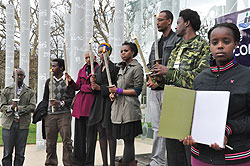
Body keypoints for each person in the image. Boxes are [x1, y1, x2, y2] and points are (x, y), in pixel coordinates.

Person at [183, 23, 250, 166]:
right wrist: (186, 131)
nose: (220, 46)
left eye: (226, 41)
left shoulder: (247, 76)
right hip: (199, 157)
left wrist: (226, 130)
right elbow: (194, 115)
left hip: (236, 157)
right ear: (210, 46)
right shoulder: (200, 79)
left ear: (236, 44)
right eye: (215, 42)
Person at [152, 9, 210, 166]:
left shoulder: (202, 46)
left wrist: (168, 73)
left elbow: (200, 79)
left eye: (178, 23)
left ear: (187, 23)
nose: (176, 27)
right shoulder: (177, 48)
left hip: (190, 108)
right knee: (173, 155)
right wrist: (160, 78)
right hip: (172, 106)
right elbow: (169, 78)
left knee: (189, 156)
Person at [146, 10, 181, 166]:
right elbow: (149, 65)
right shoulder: (156, 43)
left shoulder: (177, 40)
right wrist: (150, 78)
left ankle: (171, 160)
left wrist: (160, 81)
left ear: (169, 21)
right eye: (157, 20)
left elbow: (175, 67)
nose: (158, 23)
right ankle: (157, 161)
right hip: (155, 91)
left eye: (160, 20)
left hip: (170, 88)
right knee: (157, 127)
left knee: (171, 126)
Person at [109, 41, 144, 166]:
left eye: (126, 51)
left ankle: (126, 163)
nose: (123, 53)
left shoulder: (137, 68)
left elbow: (137, 90)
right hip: (119, 110)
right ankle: (127, 162)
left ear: (133, 53)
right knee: (125, 139)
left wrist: (119, 90)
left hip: (130, 109)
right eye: (121, 51)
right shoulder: (120, 68)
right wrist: (113, 93)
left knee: (129, 139)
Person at [87, 43, 118, 166]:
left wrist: (101, 88)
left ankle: (111, 163)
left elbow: (115, 84)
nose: (101, 54)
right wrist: (93, 85)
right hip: (98, 103)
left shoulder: (114, 68)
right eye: (99, 52)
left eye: (104, 51)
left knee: (109, 133)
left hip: (108, 102)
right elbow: (94, 88)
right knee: (101, 132)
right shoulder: (97, 69)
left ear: (108, 52)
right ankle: (104, 162)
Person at [65, 52, 98, 166]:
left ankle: (89, 162)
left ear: (94, 58)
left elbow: (95, 87)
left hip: (91, 105)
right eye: (86, 58)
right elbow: (77, 87)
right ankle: (78, 160)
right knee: (79, 135)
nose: (87, 60)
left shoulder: (98, 70)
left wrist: (84, 87)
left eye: (89, 57)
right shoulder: (81, 70)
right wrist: (71, 82)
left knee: (91, 137)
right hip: (80, 106)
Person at [0, 68, 36, 166]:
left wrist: (19, 108)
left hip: (23, 125)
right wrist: (11, 107)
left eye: (21, 75)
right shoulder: (6, 91)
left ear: (24, 76)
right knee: (7, 152)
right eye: (17, 75)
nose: (19, 77)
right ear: (13, 77)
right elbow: (2, 106)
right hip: (8, 125)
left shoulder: (30, 92)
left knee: (20, 152)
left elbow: (32, 107)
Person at [43, 58, 75, 166]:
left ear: (61, 68)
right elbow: (45, 98)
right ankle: (50, 163)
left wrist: (60, 103)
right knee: (50, 142)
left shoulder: (67, 81)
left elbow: (71, 99)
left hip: (64, 114)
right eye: (51, 66)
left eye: (54, 66)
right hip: (50, 115)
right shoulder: (49, 81)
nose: (52, 69)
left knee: (67, 141)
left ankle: (68, 163)